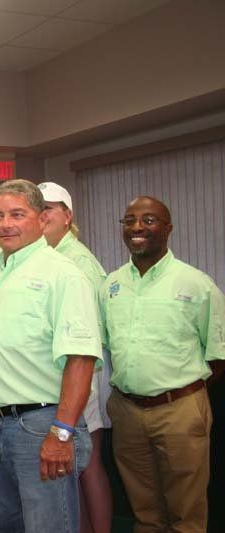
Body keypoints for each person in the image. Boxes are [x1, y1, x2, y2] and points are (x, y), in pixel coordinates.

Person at [0, 179, 101, 533]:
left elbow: (81, 358)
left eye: (17, 214)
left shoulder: (63, 275)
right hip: (0, 424)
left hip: (42, 425)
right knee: (8, 526)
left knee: (49, 526)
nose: (5, 224)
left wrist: (61, 434)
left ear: (43, 219)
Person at [100, 196, 225, 533]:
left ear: (168, 228)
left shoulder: (195, 284)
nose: (138, 227)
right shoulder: (111, 285)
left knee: (186, 512)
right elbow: (110, 345)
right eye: (129, 220)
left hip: (180, 410)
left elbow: (218, 356)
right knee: (145, 511)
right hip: (127, 411)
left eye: (149, 220)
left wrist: (179, 392)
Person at [38, 181, 112, 533]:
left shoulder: (77, 262)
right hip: (59, 379)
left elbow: (89, 338)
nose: (43, 214)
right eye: (38, 207)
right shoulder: (45, 255)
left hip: (82, 379)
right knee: (77, 468)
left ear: (67, 216)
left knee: (89, 465)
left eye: (50, 208)